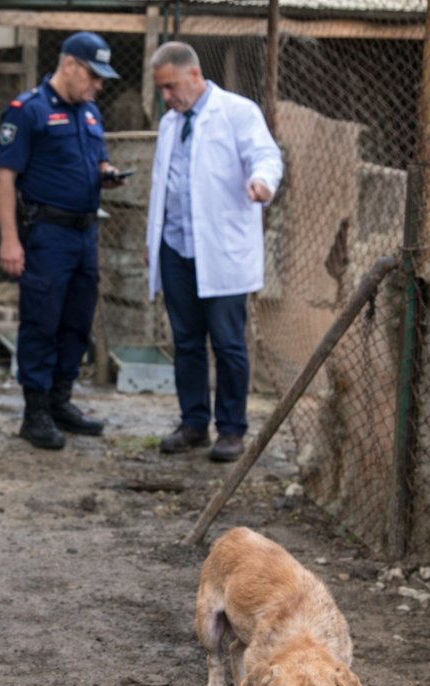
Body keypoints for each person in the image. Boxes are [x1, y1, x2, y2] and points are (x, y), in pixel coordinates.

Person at [145, 41, 283, 462]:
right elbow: (163, 185)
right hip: (176, 247)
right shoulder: (170, 123)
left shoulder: (238, 112)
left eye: (170, 86)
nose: (166, 96)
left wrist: (262, 181)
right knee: (186, 342)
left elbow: (266, 155)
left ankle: (231, 430)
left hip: (221, 250)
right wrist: (153, 242)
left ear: (194, 74)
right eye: (161, 88)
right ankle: (193, 424)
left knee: (227, 343)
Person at [0, 31, 126, 450]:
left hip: (86, 233)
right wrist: (10, 240)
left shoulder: (89, 112)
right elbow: (3, 177)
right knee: (42, 321)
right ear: (69, 65)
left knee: (76, 321)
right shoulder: (27, 110)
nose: (98, 85)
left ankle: (60, 402)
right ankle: (34, 413)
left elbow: (98, 158)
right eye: (93, 75)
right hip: (47, 234)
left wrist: (107, 173)